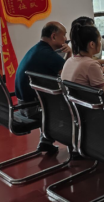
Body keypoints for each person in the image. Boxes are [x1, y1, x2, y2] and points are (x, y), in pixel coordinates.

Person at [15, 21, 72, 154]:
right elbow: (68, 74)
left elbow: (63, 70)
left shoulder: (37, 49)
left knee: (52, 97)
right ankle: (76, 148)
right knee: (74, 107)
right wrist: (69, 53)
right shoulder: (47, 54)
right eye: (64, 35)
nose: (66, 39)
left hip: (23, 104)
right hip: (33, 107)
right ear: (53, 36)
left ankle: (46, 141)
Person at [61, 24, 104, 101]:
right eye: (99, 40)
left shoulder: (69, 60)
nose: (100, 43)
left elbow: (85, 85)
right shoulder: (91, 64)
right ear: (92, 44)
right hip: (89, 106)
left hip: (76, 105)